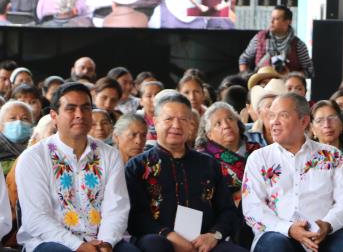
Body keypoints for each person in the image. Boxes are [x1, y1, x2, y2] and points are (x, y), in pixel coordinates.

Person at [16, 82, 134, 252]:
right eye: (70, 108)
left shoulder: (109, 155)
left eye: (86, 108)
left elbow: (117, 208)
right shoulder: (33, 158)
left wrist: (106, 242)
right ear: (54, 116)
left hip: (102, 241)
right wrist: (78, 245)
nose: (80, 114)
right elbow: (36, 218)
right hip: (51, 242)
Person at [125, 92, 247, 252]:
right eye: (169, 119)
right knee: (155, 245)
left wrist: (213, 235)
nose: (176, 125)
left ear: (190, 124)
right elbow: (135, 216)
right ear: (155, 122)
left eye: (183, 119)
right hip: (159, 240)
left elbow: (227, 210)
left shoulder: (209, 164)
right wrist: (168, 235)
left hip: (204, 243)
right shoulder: (138, 166)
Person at [242, 93, 343, 252]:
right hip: (278, 233)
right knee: (276, 246)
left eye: (283, 115)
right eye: (272, 116)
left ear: (304, 121)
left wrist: (327, 224)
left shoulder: (330, 155)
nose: (274, 122)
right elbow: (252, 208)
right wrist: (289, 229)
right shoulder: (259, 158)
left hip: (324, 233)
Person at [195, 102, 261, 247]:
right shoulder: (202, 159)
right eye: (218, 123)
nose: (226, 125)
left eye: (230, 119)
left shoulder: (258, 151)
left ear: (238, 123)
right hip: (223, 220)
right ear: (209, 134)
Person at [238, 6, 314, 77]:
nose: (271, 21)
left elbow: (309, 70)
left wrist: (290, 75)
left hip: (286, 88)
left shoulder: (298, 45)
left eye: (276, 19)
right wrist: (246, 79)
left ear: (288, 22)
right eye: (271, 18)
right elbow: (244, 59)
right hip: (262, 87)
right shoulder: (259, 38)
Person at [0, 101, 33, 175]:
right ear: (1, 126)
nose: (19, 122)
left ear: (32, 125)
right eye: (12, 118)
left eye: (25, 118)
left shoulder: (37, 145)